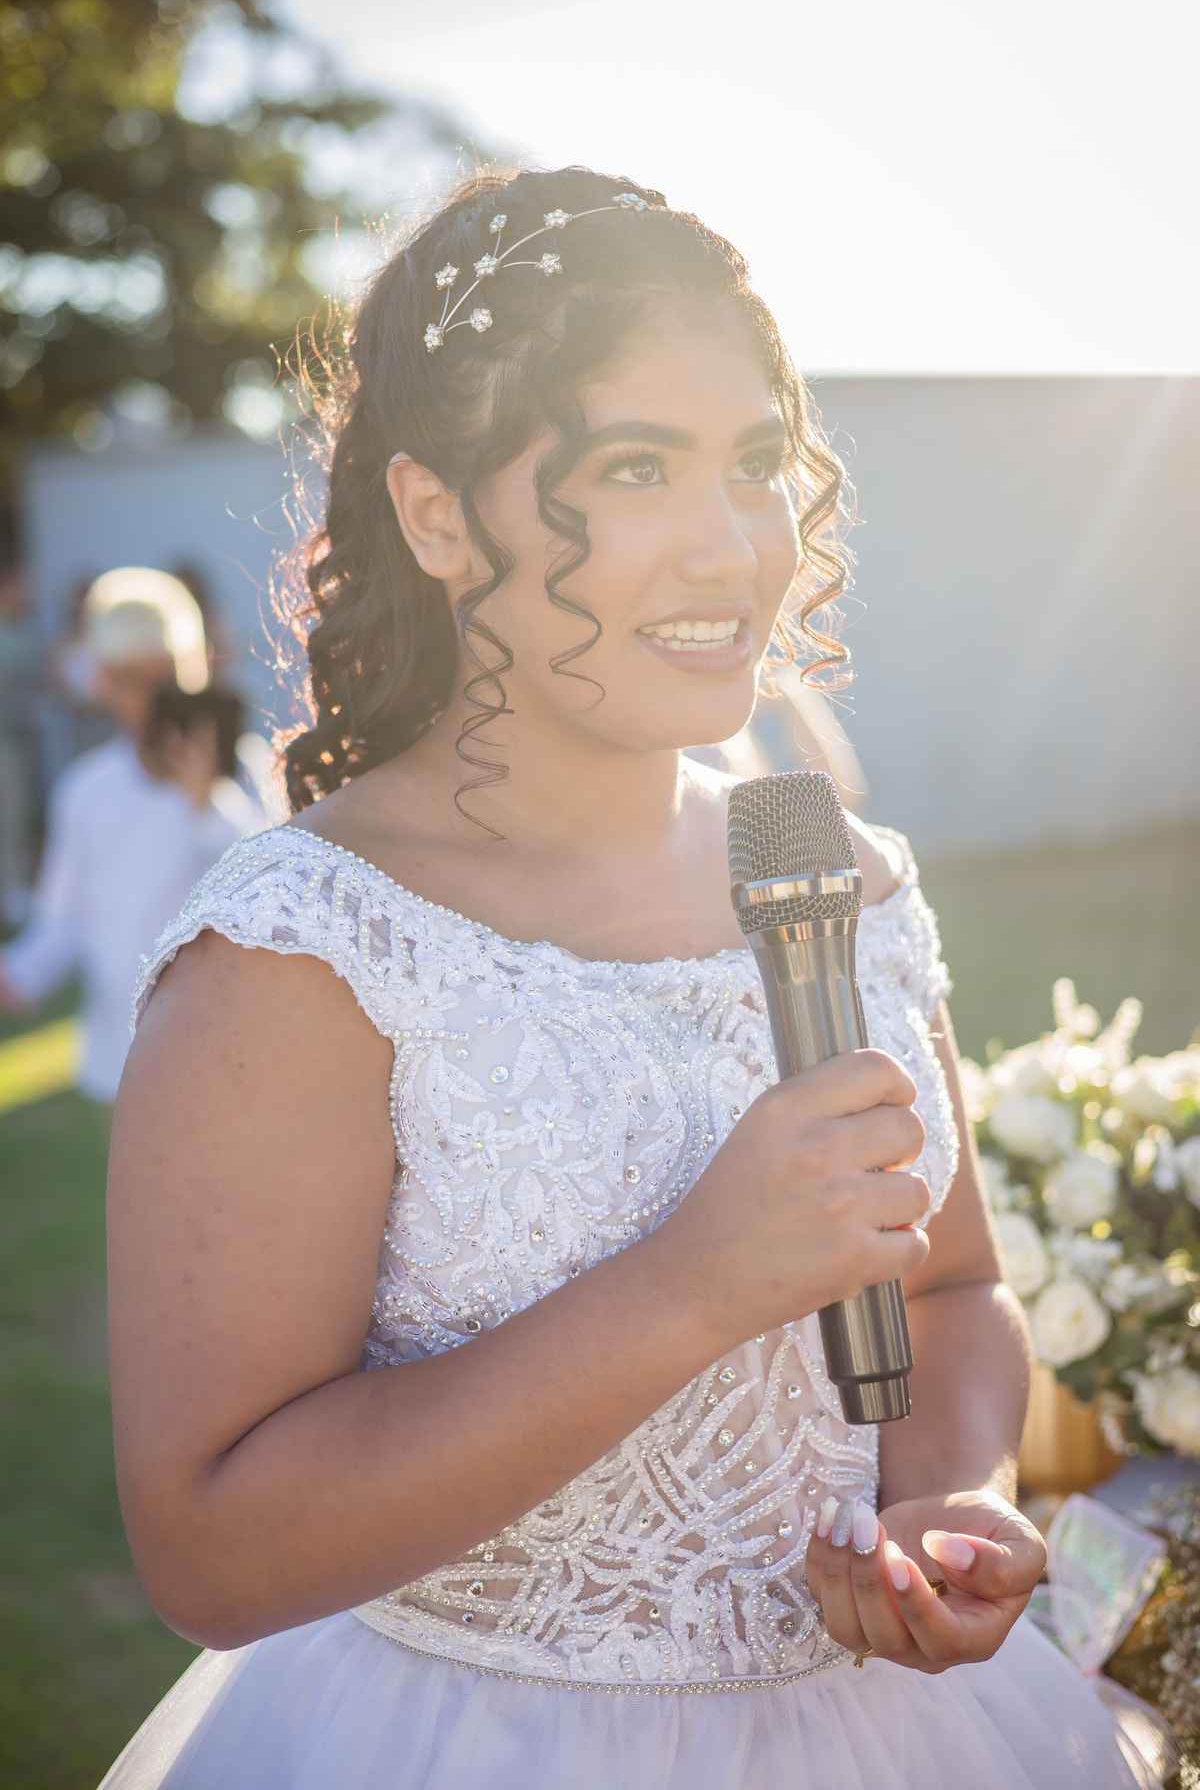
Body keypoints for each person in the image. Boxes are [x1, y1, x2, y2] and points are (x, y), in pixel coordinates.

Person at [100, 168, 1138, 1788]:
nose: (732, 547)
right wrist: (690, 1282)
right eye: (637, 469)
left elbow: (949, 1288)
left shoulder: (838, 875)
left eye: (754, 465)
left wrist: (952, 1487)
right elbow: (212, 1551)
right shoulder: (304, 949)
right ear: (437, 515)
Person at [0, 586, 260, 1101]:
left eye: (166, 676)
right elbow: (62, 920)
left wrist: (206, 801)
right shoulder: (87, 789)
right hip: (116, 1057)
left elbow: (269, 894)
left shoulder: (246, 771)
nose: (152, 697)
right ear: (104, 683)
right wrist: (17, 975)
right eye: (133, 682)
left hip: (222, 1052)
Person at [0, 544, 43, 926]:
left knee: (14, 821)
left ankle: (14, 897)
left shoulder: (24, 631)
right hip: (5, 744)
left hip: (16, 743)